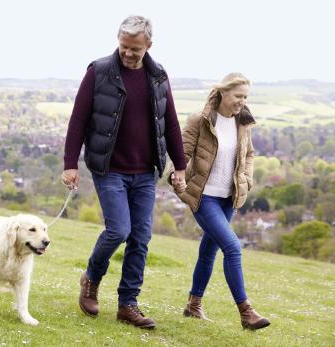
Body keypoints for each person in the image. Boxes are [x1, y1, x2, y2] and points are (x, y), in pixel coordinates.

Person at [61, 15, 187, 329]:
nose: (128, 53)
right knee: (119, 230)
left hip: (145, 171)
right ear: (118, 41)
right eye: (124, 47)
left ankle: (128, 304)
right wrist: (69, 164)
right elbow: (78, 119)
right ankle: (91, 278)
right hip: (109, 168)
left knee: (141, 238)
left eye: (135, 49)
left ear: (149, 46)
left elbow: (169, 123)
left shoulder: (158, 76)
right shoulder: (99, 71)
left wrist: (180, 166)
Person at [169, 72, 270, 330]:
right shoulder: (201, 120)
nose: (242, 101)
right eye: (238, 96)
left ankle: (193, 305)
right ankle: (246, 312)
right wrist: (175, 175)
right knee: (233, 248)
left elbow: (249, 154)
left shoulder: (243, 122)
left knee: (208, 251)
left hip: (228, 198)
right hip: (204, 196)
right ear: (223, 93)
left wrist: (246, 179)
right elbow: (181, 153)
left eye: (245, 96)